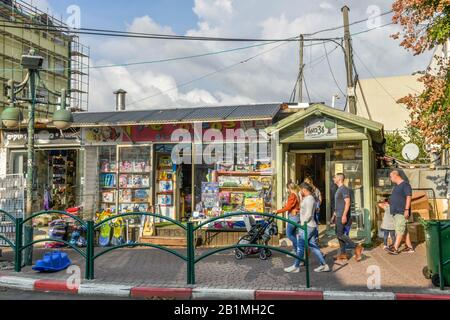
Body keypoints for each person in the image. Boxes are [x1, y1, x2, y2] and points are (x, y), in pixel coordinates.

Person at [284, 183, 329, 273]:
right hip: (310, 226)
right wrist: (298, 211)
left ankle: (296, 266)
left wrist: (303, 224)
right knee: (313, 246)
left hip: (307, 226)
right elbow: (306, 210)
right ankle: (324, 265)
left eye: (301, 189)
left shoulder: (309, 199)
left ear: (304, 189)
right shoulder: (309, 198)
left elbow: (308, 214)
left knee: (300, 247)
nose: (300, 191)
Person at [331, 173, 364, 262]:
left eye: (335, 177)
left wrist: (344, 215)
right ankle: (343, 254)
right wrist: (334, 214)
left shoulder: (344, 189)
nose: (334, 178)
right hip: (338, 215)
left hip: (342, 215)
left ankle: (356, 247)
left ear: (340, 179)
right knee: (338, 234)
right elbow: (339, 203)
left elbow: (347, 202)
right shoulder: (339, 189)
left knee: (340, 234)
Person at [386, 170, 414, 255]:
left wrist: (406, 210)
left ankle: (395, 248)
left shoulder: (405, 185)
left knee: (400, 229)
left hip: (401, 211)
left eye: (391, 177)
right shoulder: (397, 186)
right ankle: (410, 247)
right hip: (396, 211)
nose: (390, 179)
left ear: (395, 175)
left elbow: (408, 197)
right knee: (403, 230)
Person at [274, 183, 301, 256]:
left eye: (287, 189)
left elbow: (288, 207)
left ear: (289, 188)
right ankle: (296, 250)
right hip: (296, 216)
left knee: (289, 234)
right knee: (294, 234)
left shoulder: (293, 195)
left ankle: (299, 249)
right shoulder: (297, 194)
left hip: (293, 217)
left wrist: (277, 211)